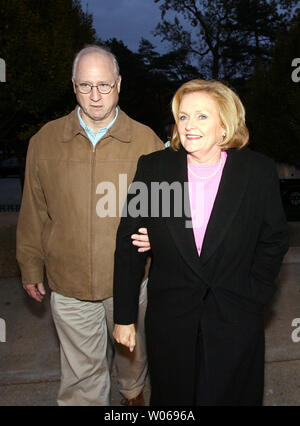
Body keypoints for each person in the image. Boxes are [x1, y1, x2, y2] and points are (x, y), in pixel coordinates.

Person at [113, 79, 289, 406]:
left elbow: (274, 238)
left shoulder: (256, 171)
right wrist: (125, 316)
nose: (189, 125)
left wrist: (257, 293)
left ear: (225, 125)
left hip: (236, 317)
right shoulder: (154, 169)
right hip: (171, 321)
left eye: (201, 117)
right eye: (183, 117)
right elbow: (128, 244)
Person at [16, 45, 164, 406]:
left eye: (104, 85)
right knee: (82, 378)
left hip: (131, 283)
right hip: (69, 283)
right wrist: (30, 263)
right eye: (85, 86)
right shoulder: (45, 141)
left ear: (119, 84)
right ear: (73, 85)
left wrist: (158, 237)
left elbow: (168, 210)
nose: (95, 95)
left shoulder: (147, 141)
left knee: (134, 363)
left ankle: (133, 396)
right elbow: (34, 208)